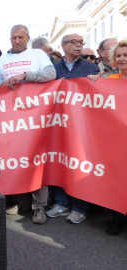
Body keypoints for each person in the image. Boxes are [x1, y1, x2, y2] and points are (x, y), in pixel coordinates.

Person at [0, 24, 56, 224]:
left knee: (36, 160)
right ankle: (22, 203)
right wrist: (4, 85)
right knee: (16, 159)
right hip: (11, 119)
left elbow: (51, 75)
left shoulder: (38, 55)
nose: (17, 41)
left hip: (35, 117)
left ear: (28, 38)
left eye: (21, 37)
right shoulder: (2, 60)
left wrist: (25, 76)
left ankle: (39, 208)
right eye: (14, 37)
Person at [46, 33, 100, 224]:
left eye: (80, 43)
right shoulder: (53, 69)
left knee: (79, 165)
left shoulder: (91, 68)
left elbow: (99, 94)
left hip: (82, 127)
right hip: (59, 126)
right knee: (61, 163)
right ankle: (62, 203)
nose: (78, 46)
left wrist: (96, 81)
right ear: (63, 46)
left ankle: (79, 207)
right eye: (73, 42)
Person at [104, 39, 127, 234]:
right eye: (118, 55)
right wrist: (92, 83)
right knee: (116, 181)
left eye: (125, 55)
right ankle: (117, 219)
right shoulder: (110, 80)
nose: (121, 58)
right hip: (115, 141)